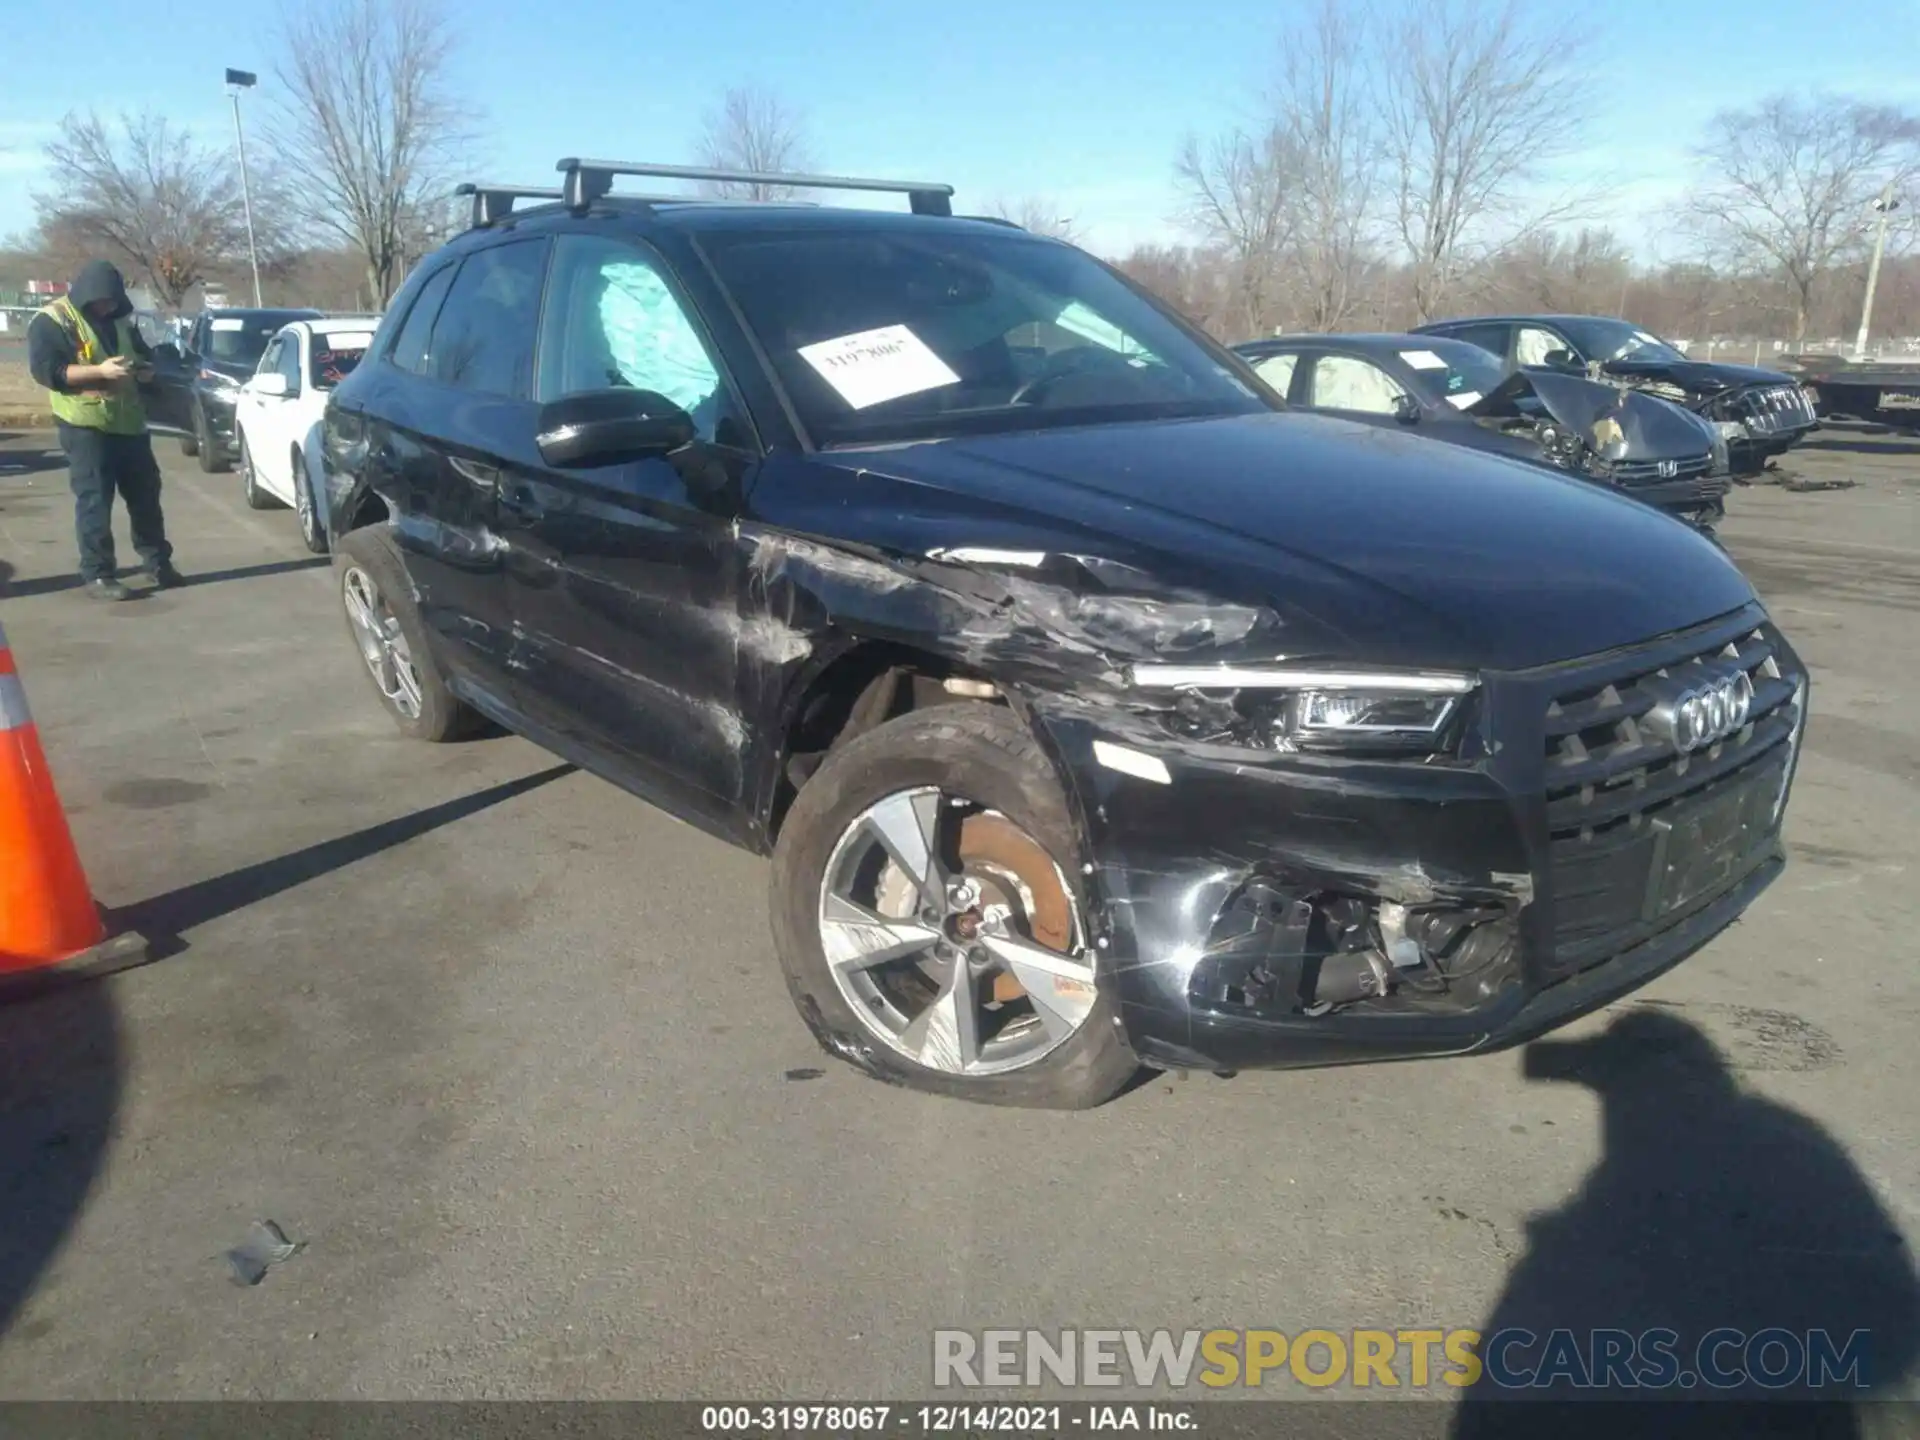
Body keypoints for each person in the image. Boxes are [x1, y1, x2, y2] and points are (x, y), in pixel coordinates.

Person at [27, 260, 183, 601]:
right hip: (84, 425)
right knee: (95, 499)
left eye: (112, 302)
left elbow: (141, 353)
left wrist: (144, 370)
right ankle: (98, 574)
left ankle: (157, 563)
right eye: (102, 302)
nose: (107, 308)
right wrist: (99, 371)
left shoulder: (121, 318)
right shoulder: (52, 320)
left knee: (146, 497)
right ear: (86, 294)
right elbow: (46, 372)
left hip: (129, 422)